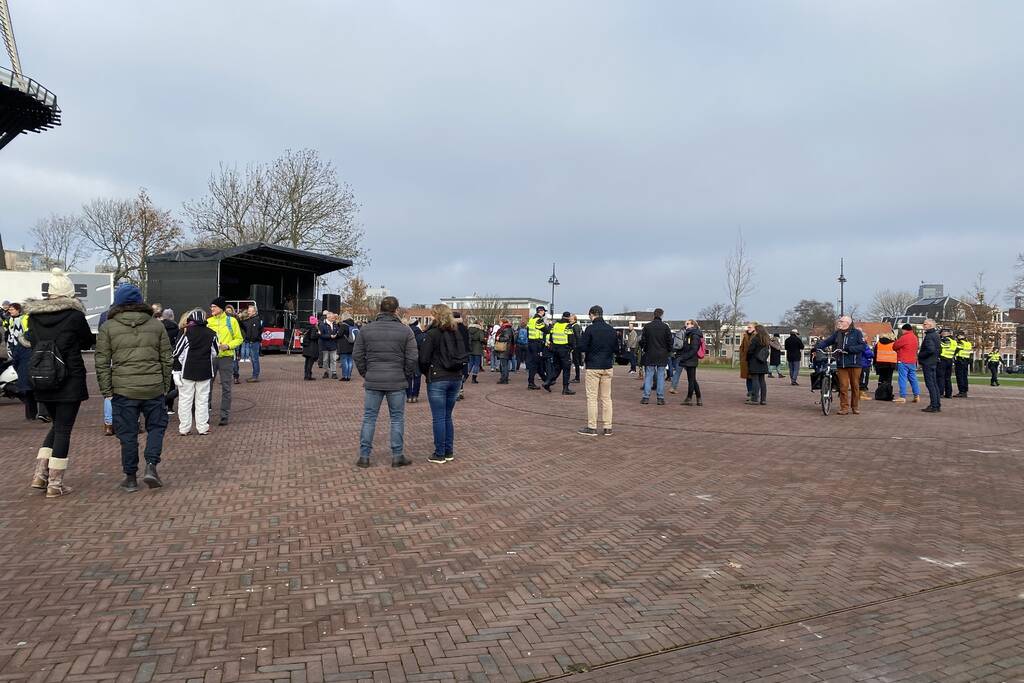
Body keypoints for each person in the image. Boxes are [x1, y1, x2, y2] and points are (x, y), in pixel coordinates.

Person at [20, 269, 94, 498]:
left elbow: (30, 340)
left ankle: (39, 475)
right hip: (69, 378)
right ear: (69, 293)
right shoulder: (74, 316)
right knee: (63, 429)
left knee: (56, 427)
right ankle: (55, 483)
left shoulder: (34, 317)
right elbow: (87, 340)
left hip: (42, 378)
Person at [95, 283, 173, 492]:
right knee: (156, 428)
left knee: (127, 434)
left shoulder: (108, 327)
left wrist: (107, 390)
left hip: (123, 389)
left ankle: (130, 478)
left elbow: (101, 361)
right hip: (153, 388)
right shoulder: (157, 325)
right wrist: (165, 385)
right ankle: (151, 466)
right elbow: (167, 358)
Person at [353, 296, 418, 468]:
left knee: (369, 418)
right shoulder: (406, 331)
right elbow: (412, 357)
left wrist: (366, 372)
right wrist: (405, 374)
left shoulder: (366, 330)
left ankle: (364, 456)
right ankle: (397, 455)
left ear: (380, 309)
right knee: (397, 419)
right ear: (396, 310)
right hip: (396, 380)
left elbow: (357, 355)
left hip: (373, 379)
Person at [420, 304, 466, 464]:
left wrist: (426, 372)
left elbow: (424, 358)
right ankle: (448, 451)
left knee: (439, 417)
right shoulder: (456, 332)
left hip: (438, 377)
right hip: (455, 377)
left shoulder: (432, 334)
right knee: (447, 416)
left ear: (436, 315)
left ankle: (439, 453)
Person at [172, 309, 219, 436]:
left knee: (185, 400)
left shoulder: (186, 333)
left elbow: (177, 353)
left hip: (188, 370)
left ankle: (184, 428)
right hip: (205, 370)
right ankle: (202, 427)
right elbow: (215, 352)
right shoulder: (212, 333)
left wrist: (182, 364)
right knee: (202, 400)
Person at [814, 315, 867, 415]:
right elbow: (827, 341)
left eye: (841, 321)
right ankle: (844, 407)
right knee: (843, 386)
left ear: (848, 323)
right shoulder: (837, 333)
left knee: (855, 386)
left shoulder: (857, 333)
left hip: (854, 364)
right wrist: (817, 347)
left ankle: (855, 407)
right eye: (839, 321)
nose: (839, 323)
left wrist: (849, 349)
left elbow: (862, 346)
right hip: (841, 364)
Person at [576, 305, 616, 436]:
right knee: (606, 398)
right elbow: (616, 347)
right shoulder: (611, 330)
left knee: (592, 398)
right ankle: (607, 427)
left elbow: (582, 346)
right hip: (607, 366)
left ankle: (592, 427)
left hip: (593, 366)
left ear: (592, 315)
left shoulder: (590, 329)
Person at [207, 297, 244, 426]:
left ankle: (224, 416)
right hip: (210, 358)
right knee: (207, 387)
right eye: (211, 307)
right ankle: (204, 416)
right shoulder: (208, 321)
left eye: (214, 307)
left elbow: (239, 339)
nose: (212, 309)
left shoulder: (232, 321)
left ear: (221, 308)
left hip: (226, 357)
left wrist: (228, 346)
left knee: (226, 387)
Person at [639, 308, 672, 405]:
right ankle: (660, 398)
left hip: (650, 353)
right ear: (662, 315)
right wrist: (668, 351)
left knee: (649, 375)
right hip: (662, 354)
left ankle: (646, 397)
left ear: (654, 315)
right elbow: (670, 342)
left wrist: (645, 348)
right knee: (661, 376)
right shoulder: (665, 327)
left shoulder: (647, 327)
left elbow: (642, 341)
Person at [543, 311, 576, 395]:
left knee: (556, 368)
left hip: (555, 349)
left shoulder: (555, 325)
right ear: (568, 317)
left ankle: (548, 382)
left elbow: (550, 338)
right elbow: (571, 339)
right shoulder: (568, 326)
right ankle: (565, 389)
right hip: (564, 349)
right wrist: (572, 348)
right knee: (566, 369)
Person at [892, 324, 921, 404]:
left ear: (904, 330)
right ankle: (916, 395)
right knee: (913, 378)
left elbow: (894, 346)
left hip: (903, 360)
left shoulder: (904, 337)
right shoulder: (915, 337)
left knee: (902, 378)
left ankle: (902, 396)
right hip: (912, 361)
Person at [677, 320, 704, 406]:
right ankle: (698, 399)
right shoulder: (689, 334)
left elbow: (694, 349)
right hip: (689, 359)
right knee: (692, 379)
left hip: (691, 359)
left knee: (691, 380)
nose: (686, 325)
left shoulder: (694, 335)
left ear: (693, 325)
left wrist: (684, 357)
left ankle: (689, 398)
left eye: (688, 323)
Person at [918, 318, 942, 413]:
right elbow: (939, 349)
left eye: (925, 324)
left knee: (930, 384)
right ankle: (937, 404)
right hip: (933, 362)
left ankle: (934, 405)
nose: (924, 326)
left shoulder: (929, 336)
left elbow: (930, 349)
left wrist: (920, 355)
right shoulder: (936, 335)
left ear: (931, 326)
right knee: (934, 384)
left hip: (928, 362)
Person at [746, 325, 770, 405]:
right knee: (762, 381)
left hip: (754, 361)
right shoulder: (766, 339)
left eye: (755, 330)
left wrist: (747, 358)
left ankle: (755, 399)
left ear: (758, 331)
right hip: (763, 362)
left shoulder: (755, 339)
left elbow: (750, 351)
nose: (754, 331)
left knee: (755, 380)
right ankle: (763, 400)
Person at [526, 306, 549, 389]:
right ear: (541, 311)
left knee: (537, 362)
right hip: (537, 344)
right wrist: (550, 326)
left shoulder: (531, 320)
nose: (544, 313)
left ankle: (546, 379)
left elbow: (528, 331)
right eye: (544, 311)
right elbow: (546, 330)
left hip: (531, 343)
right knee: (535, 364)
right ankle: (531, 383)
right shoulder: (539, 320)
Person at [240, 304, 263, 383]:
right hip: (251, 342)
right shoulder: (250, 319)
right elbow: (244, 325)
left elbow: (255, 333)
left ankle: (255, 376)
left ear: (254, 312)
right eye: (248, 311)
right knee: (254, 360)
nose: (248, 312)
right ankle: (254, 376)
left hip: (254, 342)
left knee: (255, 360)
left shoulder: (256, 320)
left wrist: (251, 340)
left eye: (250, 311)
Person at [407, 318, 427, 401]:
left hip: (408, 357)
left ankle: (408, 396)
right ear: (417, 323)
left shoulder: (406, 333)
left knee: (408, 376)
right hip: (418, 357)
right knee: (417, 376)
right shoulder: (422, 335)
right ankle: (415, 395)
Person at [873, 335, 897, 401]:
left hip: (880, 363)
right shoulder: (894, 343)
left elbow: (875, 353)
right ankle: (888, 394)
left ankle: (880, 393)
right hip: (890, 363)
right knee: (889, 379)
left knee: (881, 378)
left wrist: (874, 363)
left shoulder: (878, 343)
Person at [319, 312, 341, 379]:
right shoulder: (322, 325)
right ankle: (326, 372)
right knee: (325, 359)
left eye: (334, 318)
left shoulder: (335, 325)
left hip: (333, 344)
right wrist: (329, 336)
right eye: (332, 318)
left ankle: (334, 372)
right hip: (325, 345)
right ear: (328, 317)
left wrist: (336, 335)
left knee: (333, 359)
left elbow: (338, 331)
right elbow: (321, 335)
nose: (334, 319)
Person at [494, 318, 515, 384]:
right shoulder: (509, 328)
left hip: (504, 349)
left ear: (503, 322)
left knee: (504, 365)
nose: (499, 323)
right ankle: (504, 378)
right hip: (507, 349)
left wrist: (498, 338)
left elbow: (506, 338)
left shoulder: (505, 329)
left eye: (500, 322)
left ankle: (504, 379)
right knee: (504, 364)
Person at [338, 314, 358, 381]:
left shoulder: (343, 325)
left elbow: (339, 334)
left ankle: (345, 376)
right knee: (350, 361)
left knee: (344, 361)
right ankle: (349, 376)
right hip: (352, 345)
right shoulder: (354, 325)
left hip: (344, 346)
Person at [738, 322, 755, 401]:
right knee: (748, 378)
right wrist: (742, 356)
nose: (748, 329)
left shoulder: (757, 336)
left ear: (755, 328)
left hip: (754, 360)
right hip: (746, 360)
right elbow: (742, 347)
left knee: (754, 378)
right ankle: (749, 392)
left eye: (750, 327)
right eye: (748, 327)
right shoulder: (745, 336)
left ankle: (754, 395)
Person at [467, 318, 486, 383]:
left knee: (471, 363)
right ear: (479, 323)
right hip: (477, 348)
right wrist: (485, 341)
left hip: (470, 348)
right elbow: (482, 339)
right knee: (476, 364)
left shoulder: (468, 330)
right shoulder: (479, 330)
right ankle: (474, 379)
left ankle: (466, 376)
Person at [953, 332, 972, 398]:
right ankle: (965, 391)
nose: (957, 337)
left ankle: (961, 391)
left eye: (958, 336)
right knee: (964, 376)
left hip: (960, 361)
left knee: (959, 377)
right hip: (966, 361)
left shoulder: (960, 343)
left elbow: (956, 350)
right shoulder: (968, 343)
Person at [301, 316, 320, 380]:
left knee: (307, 362)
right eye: (316, 321)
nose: (317, 322)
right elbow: (313, 337)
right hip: (312, 347)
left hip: (306, 347)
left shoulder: (307, 327)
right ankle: (308, 376)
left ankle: (306, 375)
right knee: (310, 362)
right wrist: (318, 334)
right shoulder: (313, 328)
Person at [569, 314, 583, 383]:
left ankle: (577, 378)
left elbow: (578, 337)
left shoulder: (575, 326)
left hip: (576, 347)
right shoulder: (575, 326)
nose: (569, 320)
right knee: (575, 362)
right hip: (575, 346)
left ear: (574, 319)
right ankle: (577, 377)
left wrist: (576, 347)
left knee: (576, 362)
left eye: (571, 319)